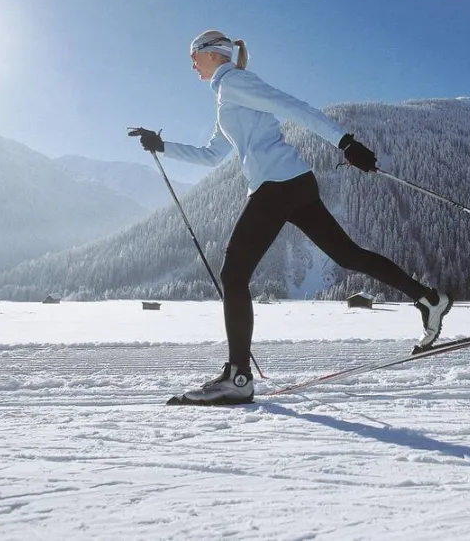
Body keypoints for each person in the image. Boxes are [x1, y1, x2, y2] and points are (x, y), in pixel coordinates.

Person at [131, 30, 452, 405]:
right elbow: (211, 154)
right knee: (348, 255)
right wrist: (163, 146)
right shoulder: (226, 96)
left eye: (193, 55)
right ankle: (428, 299)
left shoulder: (235, 83)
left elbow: (292, 106)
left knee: (234, 273)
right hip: (293, 184)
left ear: (212, 53)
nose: (191, 64)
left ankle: (238, 378)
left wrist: (346, 142)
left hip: (275, 186)